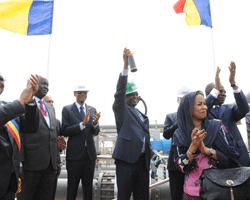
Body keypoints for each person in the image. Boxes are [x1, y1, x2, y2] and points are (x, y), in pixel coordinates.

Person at [173, 90, 240, 199]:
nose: (205, 107)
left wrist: (206, 150)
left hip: (218, 190)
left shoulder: (217, 127)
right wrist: (192, 148)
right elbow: (180, 167)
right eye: (199, 104)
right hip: (191, 193)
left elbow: (231, 158)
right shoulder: (179, 134)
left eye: (205, 104)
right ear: (188, 108)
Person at [112, 48, 156, 200]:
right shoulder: (121, 109)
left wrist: (152, 155)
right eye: (131, 94)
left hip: (142, 163)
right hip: (126, 161)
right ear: (124, 97)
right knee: (123, 196)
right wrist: (125, 68)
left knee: (142, 196)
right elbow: (119, 92)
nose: (135, 97)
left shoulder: (142, 115)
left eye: (136, 94)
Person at [17, 76, 61, 200]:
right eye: (43, 84)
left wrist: (57, 161)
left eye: (47, 85)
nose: (46, 87)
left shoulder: (51, 109)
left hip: (49, 167)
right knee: (26, 196)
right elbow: (20, 135)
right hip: (30, 165)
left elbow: (53, 137)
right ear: (35, 86)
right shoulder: (24, 104)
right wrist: (20, 163)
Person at [0, 73, 40, 200]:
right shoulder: (11, 108)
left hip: (8, 181)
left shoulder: (7, 107)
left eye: (1, 79)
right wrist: (21, 101)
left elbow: (31, 127)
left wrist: (30, 101)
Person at [205, 62, 250, 166]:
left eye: (225, 92)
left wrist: (233, 84)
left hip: (240, 155)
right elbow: (204, 109)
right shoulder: (203, 111)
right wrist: (216, 89)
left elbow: (244, 109)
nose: (224, 94)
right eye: (220, 91)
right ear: (209, 93)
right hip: (219, 158)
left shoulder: (229, 109)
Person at [61, 84, 101, 200]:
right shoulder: (67, 109)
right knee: (72, 188)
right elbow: (64, 130)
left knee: (88, 189)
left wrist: (94, 124)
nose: (82, 94)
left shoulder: (92, 109)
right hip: (74, 157)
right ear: (75, 94)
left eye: (85, 92)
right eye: (80, 92)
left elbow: (95, 132)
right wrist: (81, 125)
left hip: (89, 156)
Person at [163, 85, 191, 200]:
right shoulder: (171, 117)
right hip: (175, 164)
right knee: (176, 194)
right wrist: (179, 120)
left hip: (193, 161)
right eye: (181, 99)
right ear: (177, 100)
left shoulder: (196, 116)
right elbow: (166, 134)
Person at [44, 95, 66, 200]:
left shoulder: (56, 122)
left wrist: (61, 146)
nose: (52, 104)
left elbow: (60, 140)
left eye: (52, 102)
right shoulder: (33, 118)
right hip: (36, 164)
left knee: (50, 194)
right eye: (49, 102)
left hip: (52, 165)